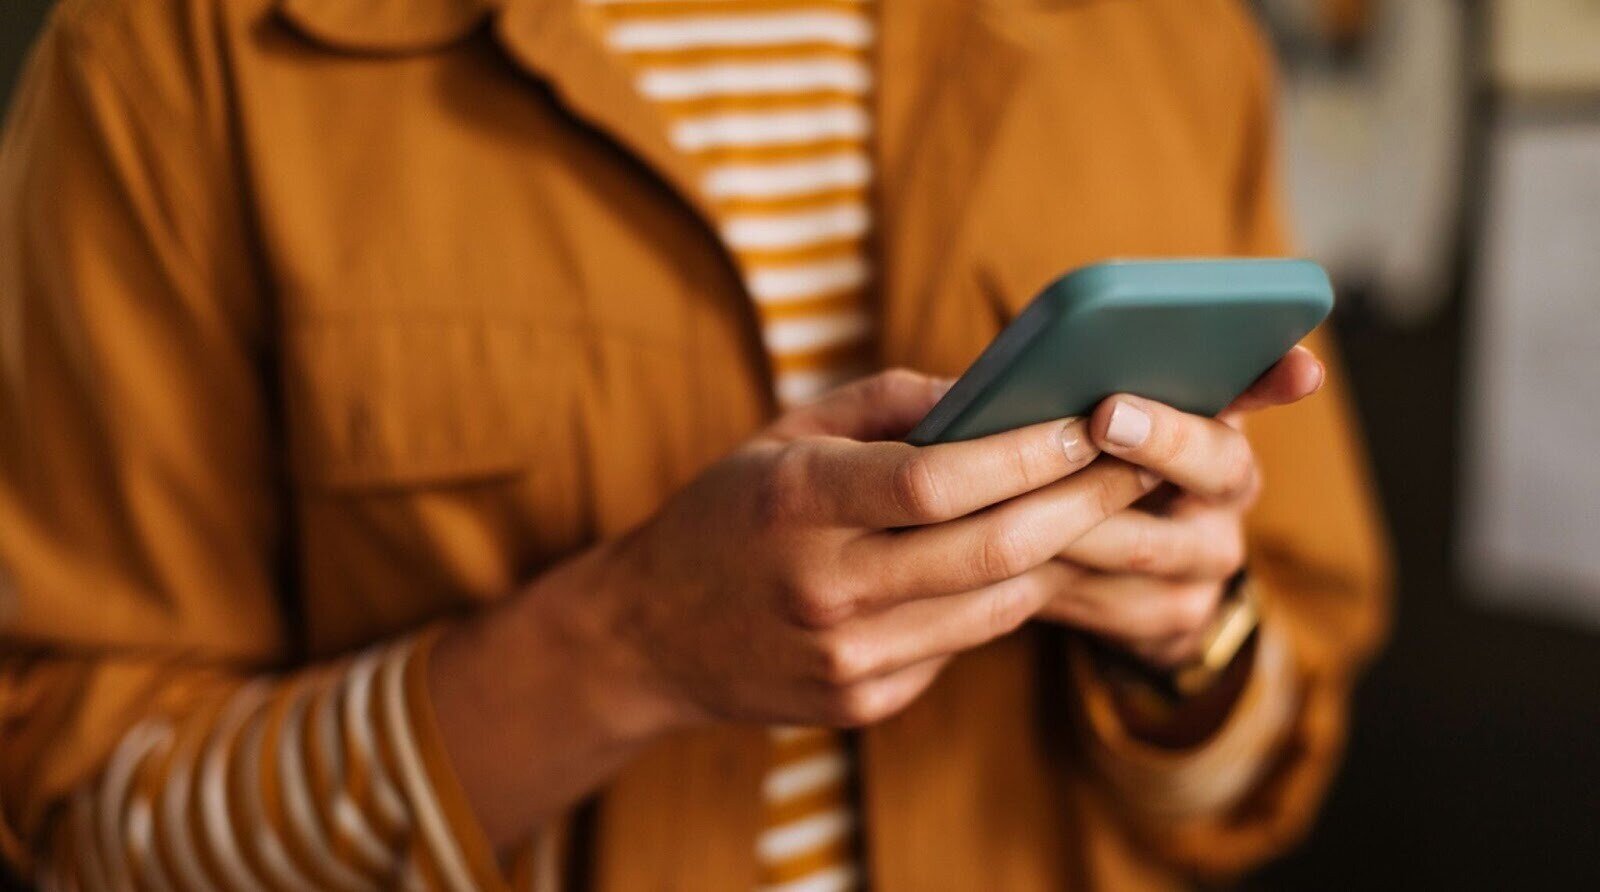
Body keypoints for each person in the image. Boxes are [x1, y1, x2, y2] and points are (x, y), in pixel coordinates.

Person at [0, 0, 1390, 889]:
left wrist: (1189, 649)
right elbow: (78, 816)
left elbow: (1275, 748)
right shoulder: (175, 57)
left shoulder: (1173, 40)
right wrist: (627, 647)